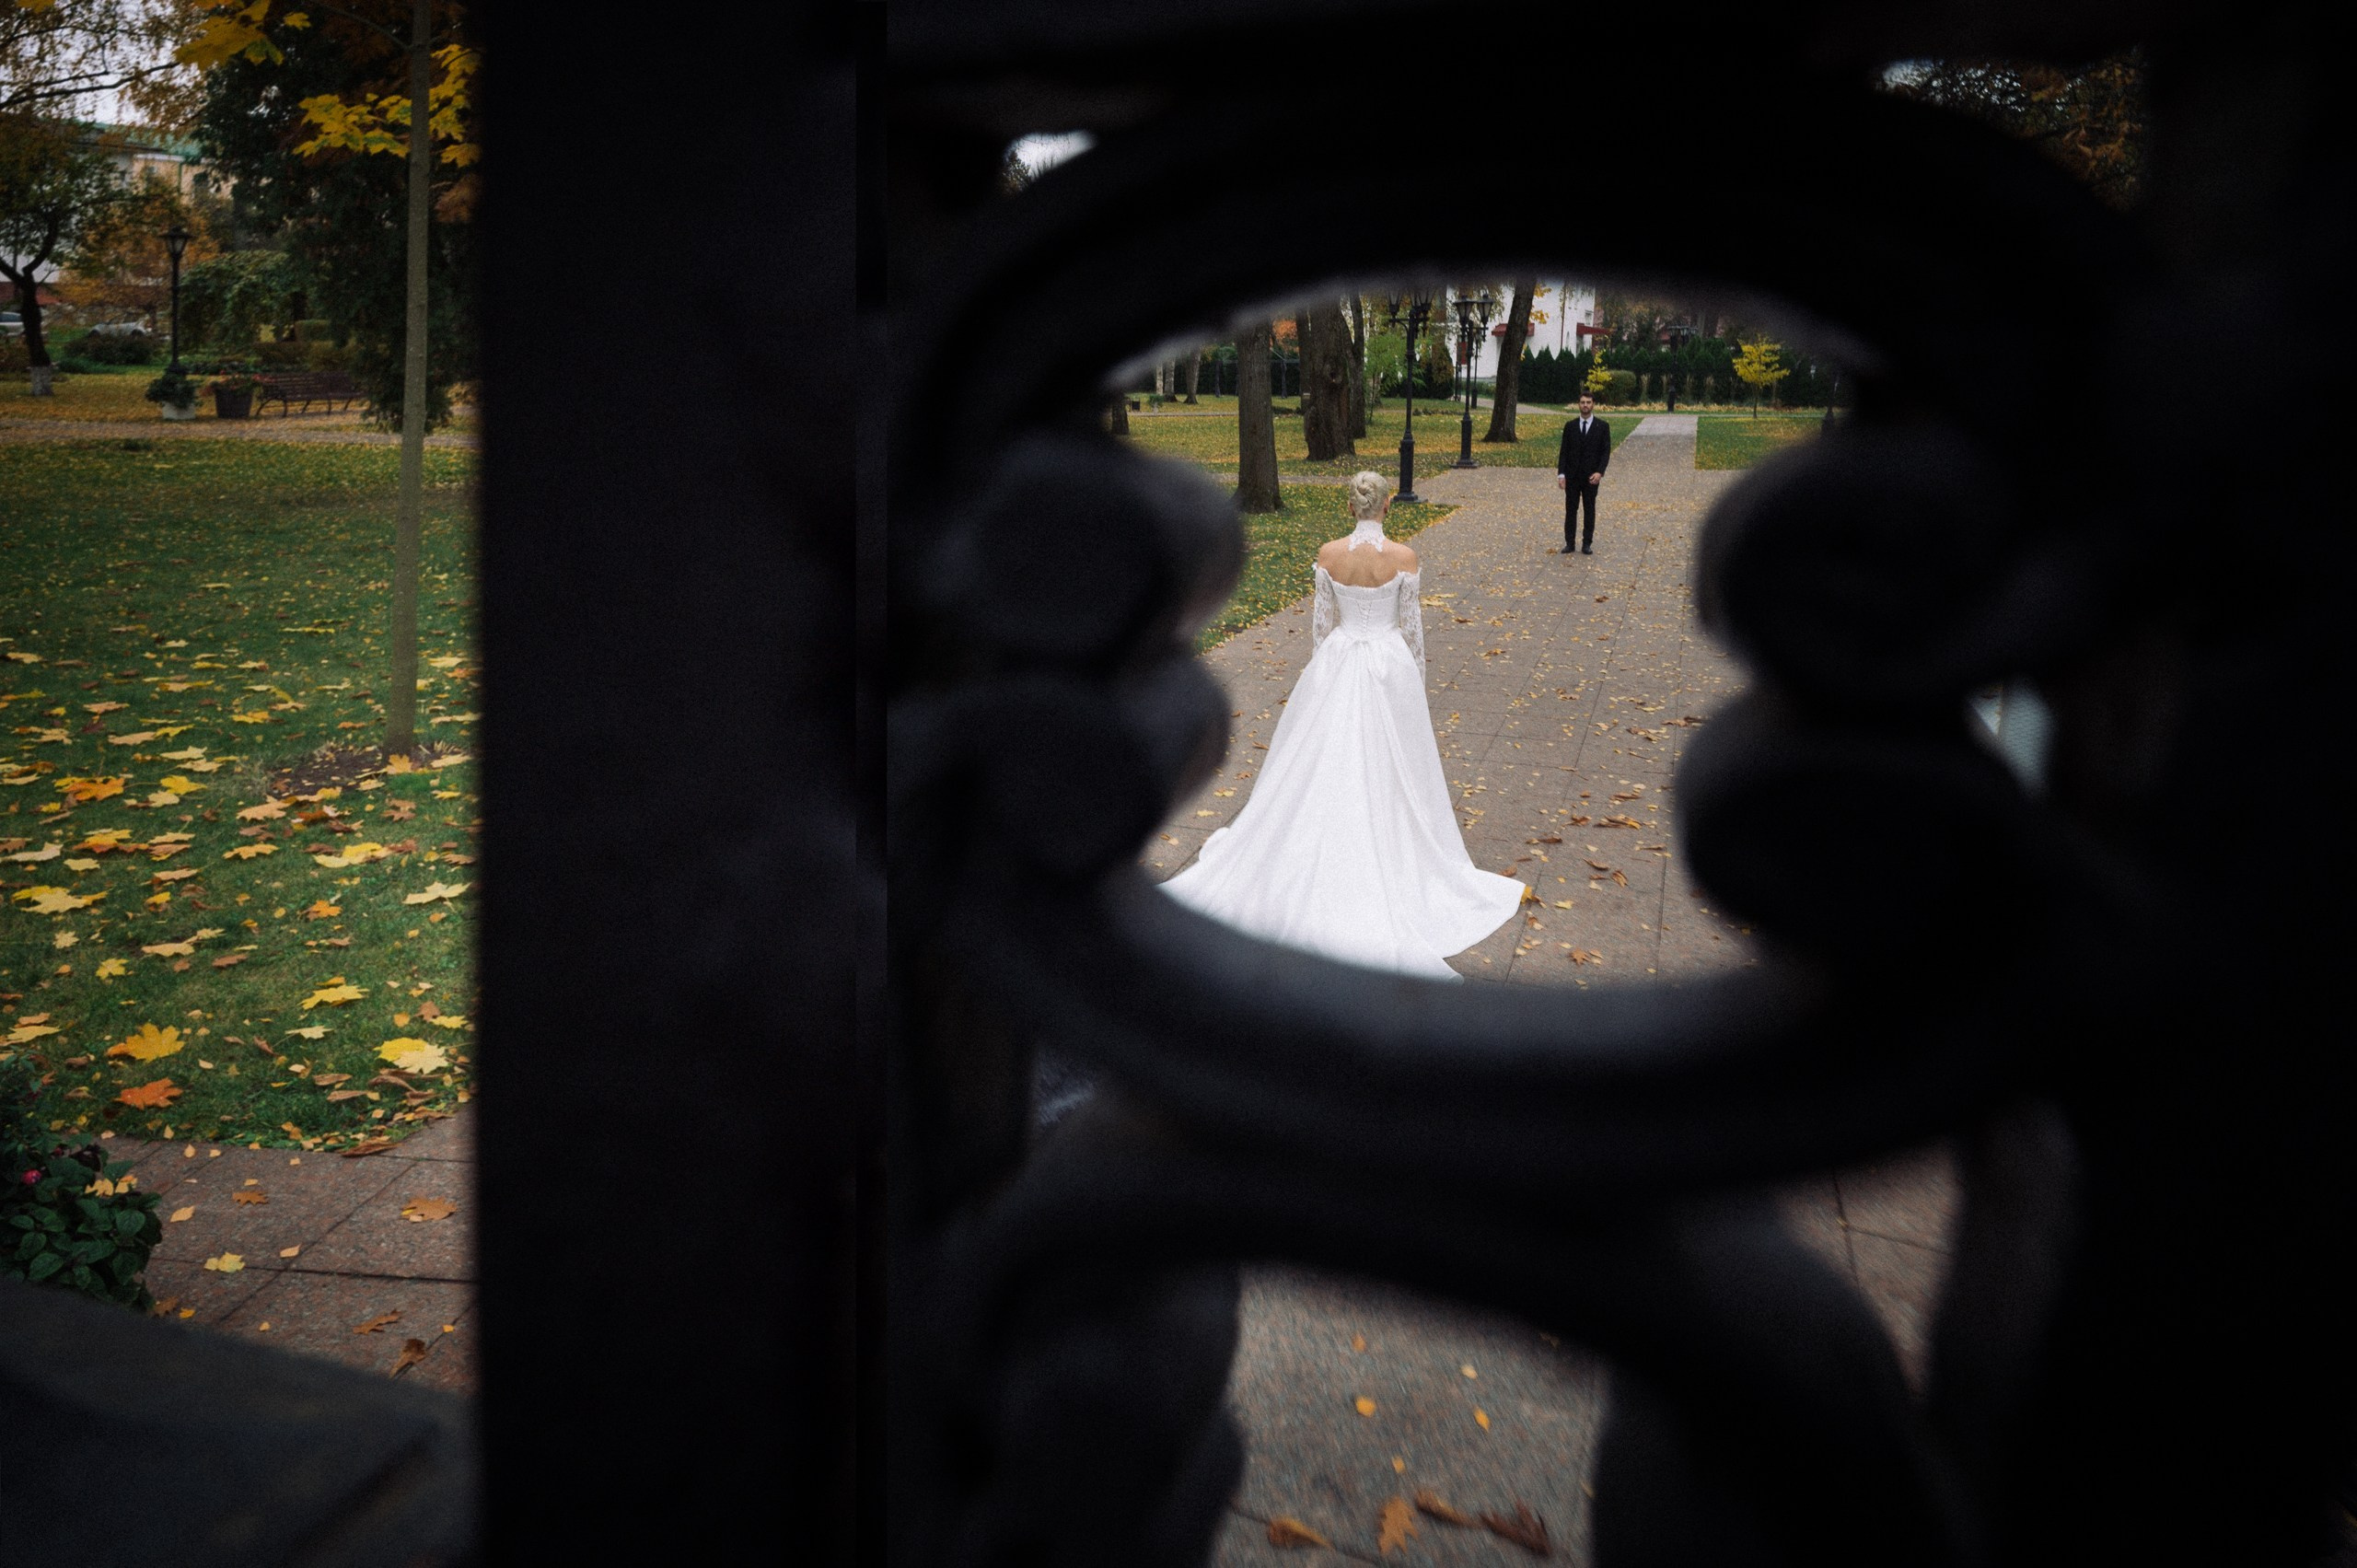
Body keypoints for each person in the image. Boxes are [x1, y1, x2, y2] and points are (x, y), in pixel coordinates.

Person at [1160, 471, 1527, 981]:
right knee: (1393, 768)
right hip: (1388, 663)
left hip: (1339, 660)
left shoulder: (1329, 554)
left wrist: (1323, 679)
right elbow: (1413, 630)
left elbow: (1321, 628)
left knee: (1323, 763)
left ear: (1351, 507)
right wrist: (1413, 686)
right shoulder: (1404, 558)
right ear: (1387, 507)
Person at [1556, 392, 1611, 554]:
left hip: (1591, 477)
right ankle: (1570, 542)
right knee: (1571, 510)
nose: (1585, 405)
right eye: (1582, 402)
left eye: (1588, 402)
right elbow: (1563, 452)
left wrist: (1600, 472)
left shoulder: (1602, 427)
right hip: (1572, 477)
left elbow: (1605, 452)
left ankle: (1587, 543)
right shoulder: (1570, 426)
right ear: (1578, 404)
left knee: (1589, 509)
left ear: (1593, 404)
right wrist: (1561, 475)